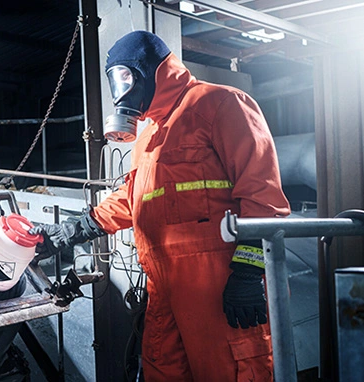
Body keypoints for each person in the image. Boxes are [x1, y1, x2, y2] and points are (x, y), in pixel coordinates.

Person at [30, 31, 290, 381]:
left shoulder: (221, 104)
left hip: (218, 284)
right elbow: (135, 198)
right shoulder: (148, 135)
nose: (120, 89)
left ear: (150, 70)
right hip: (163, 285)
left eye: (125, 77)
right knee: (162, 370)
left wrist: (247, 273)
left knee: (230, 371)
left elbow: (263, 195)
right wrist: (75, 229)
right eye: (114, 80)